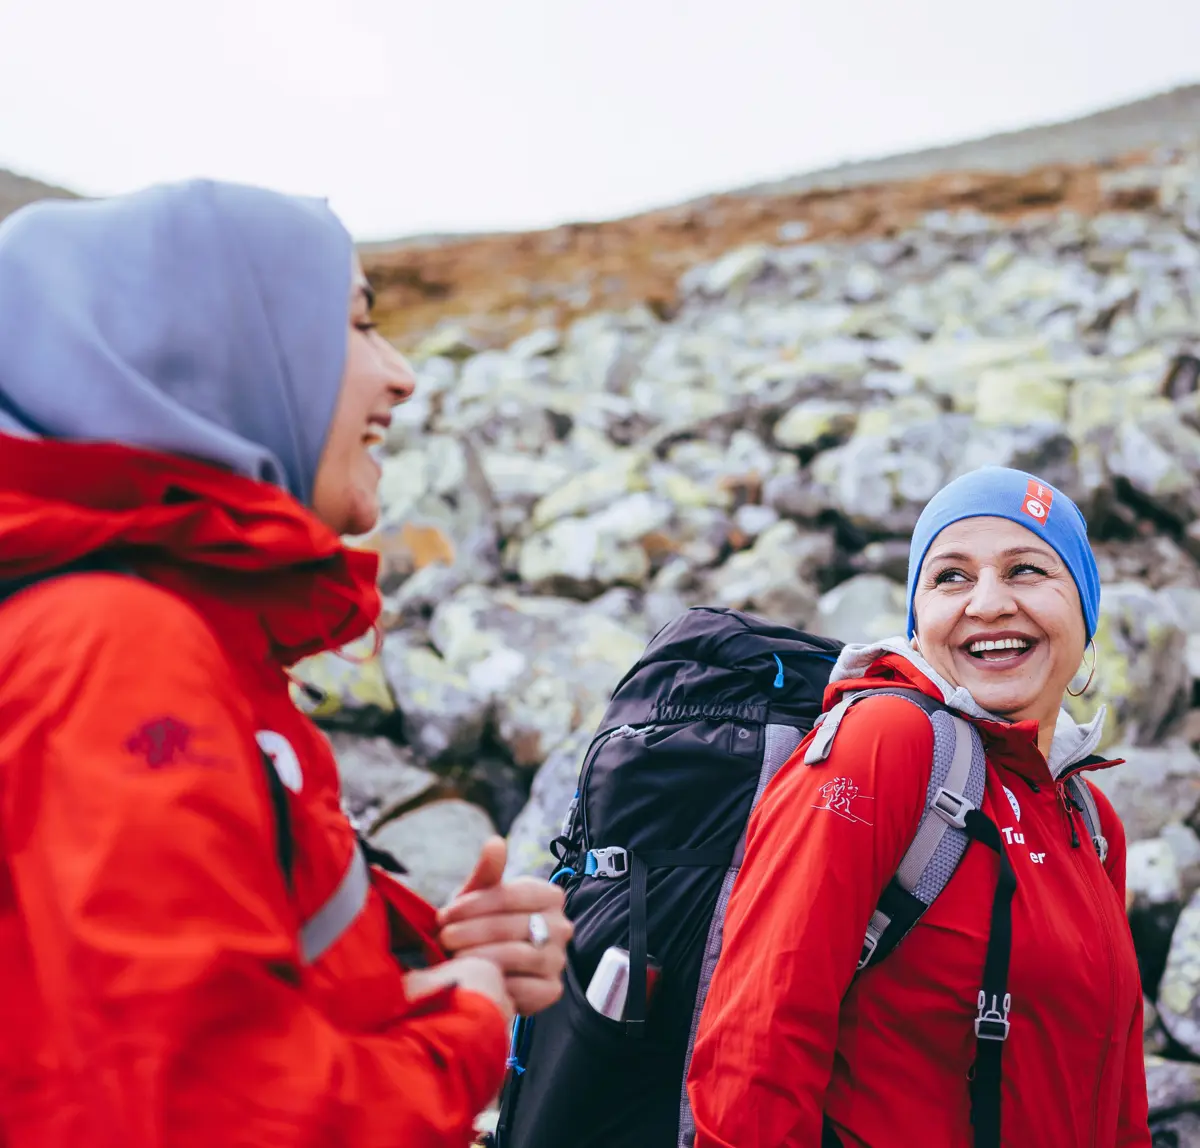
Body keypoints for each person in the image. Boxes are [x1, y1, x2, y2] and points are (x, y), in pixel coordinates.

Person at [0, 180, 570, 1148]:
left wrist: (413, 955)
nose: (402, 376)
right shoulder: (119, 645)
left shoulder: (171, 627)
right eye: (356, 324)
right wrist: (463, 1022)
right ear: (220, 356)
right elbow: (202, 1113)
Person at [685, 467, 1150, 1147]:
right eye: (951, 577)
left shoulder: (1091, 820)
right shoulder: (888, 744)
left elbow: (1118, 1096)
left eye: (1026, 570)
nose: (987, 603)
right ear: (916, 618)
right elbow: (758, 1037)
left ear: (1084, 611)